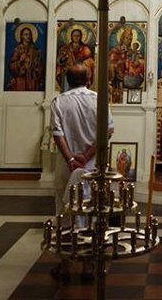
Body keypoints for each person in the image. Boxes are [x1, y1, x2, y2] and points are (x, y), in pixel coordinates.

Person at [49, 64, 113, 278]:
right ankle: (87, 265)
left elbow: (57, 133)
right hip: (92, 166)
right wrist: (86, 156)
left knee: (64, 211)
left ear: (67, 80)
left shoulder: (59, 101)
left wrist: (70, 158)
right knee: (92, 211)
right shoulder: (98, 100)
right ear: (89, 79)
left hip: (67, 167)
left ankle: (65, 264)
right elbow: (107, 131)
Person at [7, 25, 43, 91]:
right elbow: (11, 66)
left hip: (32, 81)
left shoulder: (36, 51)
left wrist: (36, 70)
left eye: (29, 34)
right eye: (26, 34)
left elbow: (40, 67)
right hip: (20, 82)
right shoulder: (17, 50)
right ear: (22, 36)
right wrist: (20, 61)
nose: (28, 36)